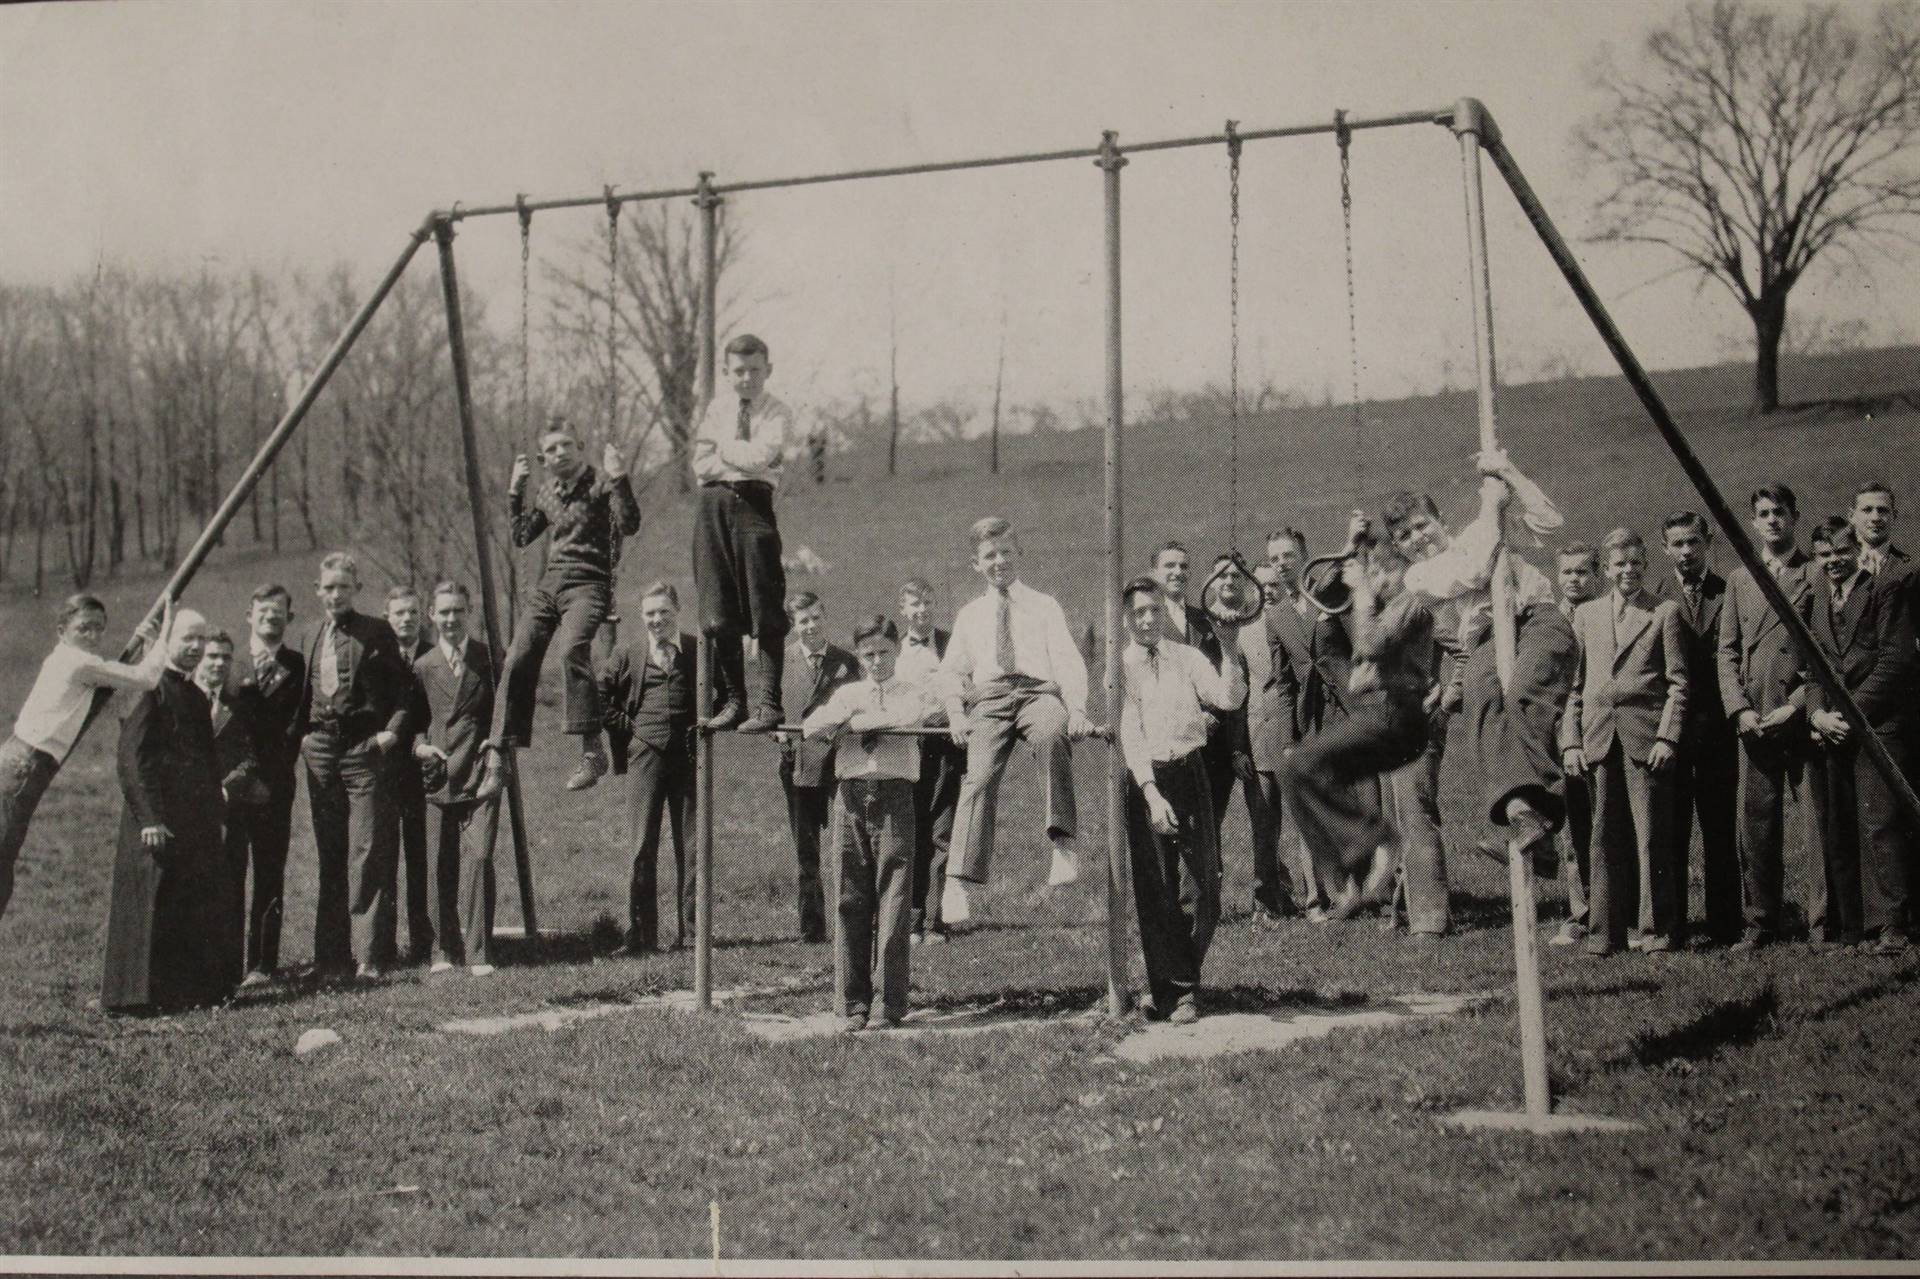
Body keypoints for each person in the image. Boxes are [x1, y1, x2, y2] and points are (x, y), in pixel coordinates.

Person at [1387, 447, 1573, 877]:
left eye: (1422, 526)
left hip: (1536, 621)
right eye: (1405, 537)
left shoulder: (1481, 531)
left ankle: (1541, 808)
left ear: (1441, 523)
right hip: (1488, 639)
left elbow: (1551, 526)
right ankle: (1524, 815)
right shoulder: (1418, 578)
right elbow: (1472, 573)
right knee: (1482, 702)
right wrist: (1491, 506)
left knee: (1525, 691)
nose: (1417, 539)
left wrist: (1509, 473)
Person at [937, 516, 1096, 924]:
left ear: (1019, 553)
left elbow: (1066, 659)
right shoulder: (970, 615)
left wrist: (1077, 707)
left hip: (1036, 691)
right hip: (989, 697)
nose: (999, 561)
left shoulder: (1043, 605)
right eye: (989, 556)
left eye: (1006, 552)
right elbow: (952, 670)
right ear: (976, 564)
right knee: (981, 774)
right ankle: (957, 881)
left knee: (1050, 733)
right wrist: (956, 711)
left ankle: (1062, 844)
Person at [1278, 543, 1436, 921]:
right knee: (1298, 773)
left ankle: (1376, 839)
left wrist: (1364, 596)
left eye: (1389, 572)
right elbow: (1358, 670)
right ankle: (1352, 866)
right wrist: (1351, 546)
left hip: (1396, 715)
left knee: (1300, 765)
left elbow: (1369, 647)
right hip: (1382, 711)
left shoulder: (1413, 602)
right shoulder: (1387, 610)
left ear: (1408, 571)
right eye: (1375, 572)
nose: (1381, 581)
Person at [1118, 576, 1248, 1023]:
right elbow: (1129, 733)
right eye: (1138, 612)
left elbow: (1228, 697)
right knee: (1156, 890)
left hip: (1190, 773)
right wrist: (1151, 794)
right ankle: (1177, 992)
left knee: (1204, 885)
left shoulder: (1187, 657)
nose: (1149, 619)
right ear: (1127, 619)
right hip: (1144, 778)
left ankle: (1176, 980)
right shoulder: (1121, 669)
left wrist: (1229, 649)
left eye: (1154, 609)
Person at [2, 593, 170, 926]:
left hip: (17, 759)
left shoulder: (66, 658)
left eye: (99, 629)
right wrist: (160, 637)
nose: (93, 637)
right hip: (24, 767)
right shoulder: (77, 662)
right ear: (62, 629)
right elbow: (147, 678)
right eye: (84, 629)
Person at [803, 615, 937, 1031]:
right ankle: (853, 1003)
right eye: (868, 655)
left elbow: (909, 716)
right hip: (851, 797)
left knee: (895, 900)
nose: (877, 662)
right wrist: (845, 717)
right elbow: (812, 726)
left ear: (896, 651)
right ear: (859, 658)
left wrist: (855, 722)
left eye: (884, 652)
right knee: (849, 898)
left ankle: (890, 1002)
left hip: (895, 796)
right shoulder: (849, 691)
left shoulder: (914, 691)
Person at [1559, 529, 1689, 956]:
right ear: (1608, 570)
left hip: (1644, 739)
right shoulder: (1588, 615)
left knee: (1650, 837)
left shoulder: (1664, 612)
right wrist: (1571, 742)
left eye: (1635, 562)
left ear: (1645, 564)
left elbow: (1678, 684)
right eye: (1619, 564)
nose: (1628, 571)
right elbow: (1573, 688)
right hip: (1599, 738)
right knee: (1601, 837)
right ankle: (1604, 934)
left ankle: (1655, 932)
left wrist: (1668, 736)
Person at [101, 609, 231, 1014]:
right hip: (154, 821)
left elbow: (206, 764)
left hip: (191, 820)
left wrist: (214, 817)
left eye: (200, 639)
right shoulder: (149, 688)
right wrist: (150, 818)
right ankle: (134, 997)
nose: (195, 647)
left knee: (183, 902)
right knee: (150, 903)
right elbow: (131, 760)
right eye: (186, 639)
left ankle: (179, 992)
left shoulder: (193, 694)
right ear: (168, 641)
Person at [500, 418, 642, 791]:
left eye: (566, 445)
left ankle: (592, 752)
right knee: (516, 656)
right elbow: (520, 536)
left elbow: (629, 524)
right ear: (543, 459)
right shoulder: (546, 492)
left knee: (572, 650)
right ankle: (502, 748)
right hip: (550, 585)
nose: (560, 453)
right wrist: (516, 491)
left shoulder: (599, 483)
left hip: (589, 583)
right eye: (551, 449)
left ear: (580, 447)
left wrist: (620, 477)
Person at [1804, 516, 1916, 954]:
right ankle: (1850, 929)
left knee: (1881, 824)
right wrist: (1816, 715)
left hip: (1879, 726)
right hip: (1832, 730)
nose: (1833, 561)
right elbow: (1812, 667)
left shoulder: (1883, 590)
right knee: (1840, 826)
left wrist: (1853, 714)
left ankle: (1890, 924)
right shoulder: (1816, 601)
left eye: (1840, 552)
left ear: (1857, 551)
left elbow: (1896, 660)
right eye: (1824, 555)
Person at [299, 552, 413, 979]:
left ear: (357, 590)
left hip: (363, 750)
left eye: (343, 587)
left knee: (367, 849)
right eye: (327, 587)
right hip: (322, 750)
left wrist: (391, 733)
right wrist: (306, 738)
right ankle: (330, 957)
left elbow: (404, 693)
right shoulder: (310, 633)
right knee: (331, 852)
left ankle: (371, 955)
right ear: (318, 591)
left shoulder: (377, 632)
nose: (335, 595)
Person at [1717, 483, 1816, 950]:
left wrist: (1795, 706)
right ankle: (1760, 923)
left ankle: (1824, 923)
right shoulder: (1740, 579)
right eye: (1763, 513)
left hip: (1801, 717)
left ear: (1794, 517)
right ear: (1753, 522)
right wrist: (1738, 709)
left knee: (1815, 824)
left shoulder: (1815, 573)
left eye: (1780, 512)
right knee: (1756, 825)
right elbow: (1727, 651)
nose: (1772, 520)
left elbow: (1825, 655)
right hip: (1754, 722)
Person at [692, 333, 800, 733]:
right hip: (712, 505)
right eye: (738, 371)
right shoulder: (717, 408)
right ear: (726, 372)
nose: (747, 378)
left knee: (764, 603)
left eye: (755, 370)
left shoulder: (778, 412)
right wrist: (732, 454)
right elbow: (700, 466)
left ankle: (769, 705)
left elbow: (760, 458)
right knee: (717, 610)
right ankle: (735, 702)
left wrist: (723, 447)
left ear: (767, 370)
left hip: (755, 505)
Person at [1264, 525, 1367, 918]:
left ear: (1303, 556)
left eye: (1288, 556)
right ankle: (1319, 896)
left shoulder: (1325, 594)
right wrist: (1288, 737)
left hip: (1346, 709)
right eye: (1274, 559)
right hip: (1308, 719)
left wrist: (1352, 539)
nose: (1281, 565)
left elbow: (1357, 641)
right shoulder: (1275, 616)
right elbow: (1284, 684)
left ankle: (1363, 888)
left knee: (1359, 798)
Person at [409, 581, 503, 975]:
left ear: (469, 613)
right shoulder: (424, 666)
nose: (450, 619)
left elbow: (504, 714)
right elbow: (413, 723)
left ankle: (480, 952)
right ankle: (443, 950)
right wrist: (419, 748)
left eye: (458, 611)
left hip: (480, 774)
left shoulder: (489, 658)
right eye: (443, 611)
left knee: (480, 856)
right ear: (432, 615)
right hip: (439, 775)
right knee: (439, 864)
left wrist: (497, 752)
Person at [600, 581, 699, 955]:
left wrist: (700, 725)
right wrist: (628, 727)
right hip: (646, 755)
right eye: (650, 614)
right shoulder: (628, 653)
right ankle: (641, 935)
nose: (657, 620)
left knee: (692, 846)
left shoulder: (696, 651)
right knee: (642, 845)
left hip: (689, 758)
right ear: (642, 617)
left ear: (677, 612)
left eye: (664, 613)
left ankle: (692, 934)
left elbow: (722, 692)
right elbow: (599, 695)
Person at [1658, 513, 1741, 947]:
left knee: (1720, 828)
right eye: (1677, 544)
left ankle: (1725, 926)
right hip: (1670, 732)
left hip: (1718, 732)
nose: (1686, 552)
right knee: (1671, 830)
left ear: (1709, 542)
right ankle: (1672, 927)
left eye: (1693, 542)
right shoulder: (1654, 598)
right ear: (1665, 548)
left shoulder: (1729, 592)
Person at [228, 584, 306, 985]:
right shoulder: (228, 661)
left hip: (275, 786)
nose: (270, 618)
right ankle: (224, 962)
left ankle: (262, 963)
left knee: (269, 871)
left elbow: (296, 728)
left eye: (278, 612)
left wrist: (270, 776)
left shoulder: (299, 666)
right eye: (263, 611)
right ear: (249, 615)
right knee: (228, 871)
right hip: (231, 788)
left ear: (289, 618)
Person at [775, 592, 860, 943]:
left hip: (838, 762)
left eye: (815, 618)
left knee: (848, 844)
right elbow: (768, 707)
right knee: (806, 849)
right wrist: (777, 731)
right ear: (794, 625)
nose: (810, 626)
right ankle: (812, 927)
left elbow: (858, 705)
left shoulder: (845, 662)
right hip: (798, 762)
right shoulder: (781, 661)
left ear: (824, 616)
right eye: (802, 621)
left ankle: (852, 922)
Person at [196, 628, 266, 994]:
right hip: (188, 812)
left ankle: (226, 976)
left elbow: (250, 757)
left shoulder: (238, 704)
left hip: (228, 811)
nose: (219, 663)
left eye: (225, 657)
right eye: (212, 656)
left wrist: (227, 786)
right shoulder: (182, 700)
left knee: (230, 890)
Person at [1151, 542, 1236, 840]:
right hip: (1166, 747)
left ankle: (1208, 887)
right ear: (1154, 573)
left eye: (1184, 566)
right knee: (1169, 834)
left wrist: (1211, 715)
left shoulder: (1205, 620)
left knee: (1208, 833)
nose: (1178, 572)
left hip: (1211, 745)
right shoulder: (1146, 622)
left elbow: (1220, 674)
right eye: (1169, 566)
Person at [895, 578, 962, 944]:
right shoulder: (894, 651)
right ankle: (910, 920)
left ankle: (936, 921)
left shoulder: (951, 644)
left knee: (942, 831)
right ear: (903, 610)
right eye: (914, 604)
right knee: (911, 831)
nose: (921, 610)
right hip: (909, 744)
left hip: (947, 744)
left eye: (927, 603)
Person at [1548, 543, 1604, 946]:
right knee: (1571, 824)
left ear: (1596, 575)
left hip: (1597, 728)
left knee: (1605, 819)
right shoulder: (1549, 620)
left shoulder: (1603, 614)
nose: (1573, 580)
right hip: (1556, 734)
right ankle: (1580, 909)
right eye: (1567, 572)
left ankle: (1610, 905)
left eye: (1582, 572)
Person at [1240, 563, 1297, 925]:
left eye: (1275, 585)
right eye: (1262, 586)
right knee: (1264, 821)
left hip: (1295, 733)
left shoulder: (1296, 623)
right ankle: (1267, 899)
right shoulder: (1243, 633)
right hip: (1257, 737)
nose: (1269, 591)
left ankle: (1315, 895)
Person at [384, 585, 435, 964]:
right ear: (389, 617)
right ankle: (382, 945)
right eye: (399, 612)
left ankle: (422, 943)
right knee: (384, 857)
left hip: (424, 766)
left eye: (413, 612)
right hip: (386, 769)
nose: (406, 619)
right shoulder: (379, 656)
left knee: (420, 856)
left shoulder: (434, 653)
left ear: (423, 616)